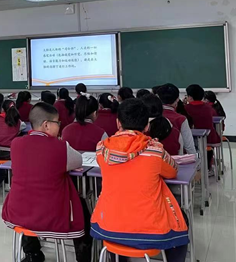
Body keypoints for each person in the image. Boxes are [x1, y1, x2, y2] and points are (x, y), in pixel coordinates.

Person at [90, 98, 189, 262]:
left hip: (107, 226)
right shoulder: (155, 150)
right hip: (149, 229)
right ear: (147, 126)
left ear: (118, 123)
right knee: (182, 223)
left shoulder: (102, 149)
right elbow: (172, 171)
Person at [2, 102, 92, 262]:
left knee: (29, 199)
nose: (59, 126)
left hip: (17, 213)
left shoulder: (16, 144)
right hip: (52, 216)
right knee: (83, 208)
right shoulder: (61, 147)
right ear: (46, 125)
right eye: (57, 123)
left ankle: (32, 253)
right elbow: (78, 160)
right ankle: (83, 257)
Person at [185, 84, 220, 171]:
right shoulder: (208, 107)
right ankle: (208, 167)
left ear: (190, 97)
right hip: (210, 138)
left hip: (194, 140)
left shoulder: (186, 108)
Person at [156, 84, 196, 156]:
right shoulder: (181, 119)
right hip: (176, 159)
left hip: (155, 158)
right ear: (177, 99)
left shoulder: (153, 116)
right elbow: (189, 146)